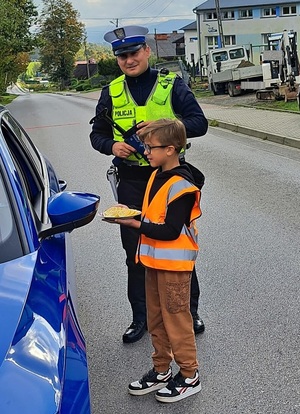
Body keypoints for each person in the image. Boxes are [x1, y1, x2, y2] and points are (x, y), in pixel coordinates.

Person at [90, 25, 208, 343]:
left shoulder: (172, 85)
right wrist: (111, 147)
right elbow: (97, 134)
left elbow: (200, 123)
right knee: (136, 252)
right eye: (122, 56)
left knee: (176, 248)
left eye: (133, 53)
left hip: (170, 181)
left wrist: (164, 127)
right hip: (131, 181)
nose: (129, 60)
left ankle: (187, 312)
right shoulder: (111, 92)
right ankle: (141, 318)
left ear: (146, 51)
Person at [114, 118, 202, 403]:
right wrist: (133, 213)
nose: (146, 152)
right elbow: (155, 216)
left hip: (175, 268)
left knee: (177, 320)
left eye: (151, 148)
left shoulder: (182, 186)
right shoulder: (156, 175)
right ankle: (162, 369)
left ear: (172, 149)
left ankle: (189, 375)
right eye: (145, 147)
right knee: (156, 320)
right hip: (153, 264)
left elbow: (169, 230)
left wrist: (134, 225)